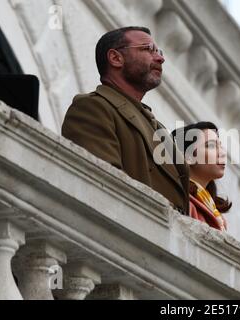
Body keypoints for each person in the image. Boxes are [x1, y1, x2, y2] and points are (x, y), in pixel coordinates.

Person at [61, 26, 189, 214]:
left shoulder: (155, 126)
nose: (160, 58)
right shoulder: (93, 108)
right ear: (115, 58)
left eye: (159, 52)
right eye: (148, 49)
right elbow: (103, 185)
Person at [172, 122, 232, 231]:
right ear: (188, 157)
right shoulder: (179, 200)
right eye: (211, 146)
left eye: (220, 146)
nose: (222, 153)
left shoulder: (214, 211)